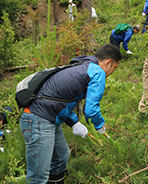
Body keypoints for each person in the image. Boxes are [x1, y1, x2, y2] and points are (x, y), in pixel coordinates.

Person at [19, 44, 121, 184]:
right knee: (38, 177)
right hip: (38, 119)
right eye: (114, 68)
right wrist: (100, 128)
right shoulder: (97, 72)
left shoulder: (82, 65)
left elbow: (58, 99)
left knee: (61, 157)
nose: (111, 73)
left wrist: (74, 122)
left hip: (46, 117)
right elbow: (91, 110)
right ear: (108, 62)